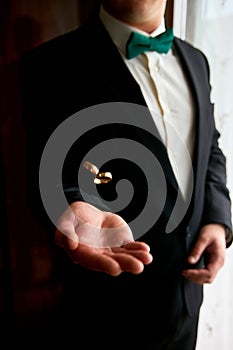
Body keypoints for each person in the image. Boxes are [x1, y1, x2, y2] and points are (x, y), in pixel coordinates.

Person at [20, 0, 233, 349]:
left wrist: (216, 219)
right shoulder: (50, 64)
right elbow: (45, 174)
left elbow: (210, 146)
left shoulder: (198, 61)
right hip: (108, 310)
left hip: (187, 298)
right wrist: (70, 207)